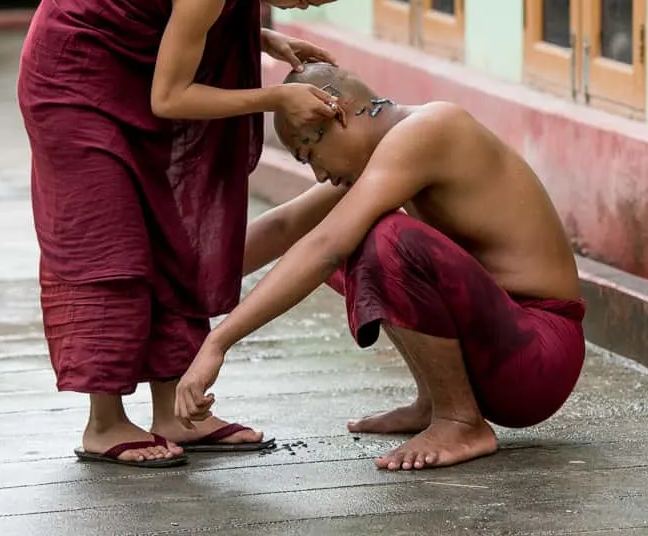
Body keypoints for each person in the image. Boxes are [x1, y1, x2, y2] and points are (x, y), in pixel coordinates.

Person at [17, 0, 359, 468]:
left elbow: (168, 5)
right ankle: (103, 423)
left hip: (130, 66)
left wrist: (261, 38)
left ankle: (175, 413)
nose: (301, 10)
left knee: (172, 234)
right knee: (110, 246)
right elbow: (170, 99)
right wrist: (274, 96)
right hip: (73, 85)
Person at [175, 63, 586, 471]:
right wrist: (175, 285)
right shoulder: (383, 155)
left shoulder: (431, 128)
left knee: (383, 240)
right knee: (357, 239)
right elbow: (285, 225)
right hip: (499, 346)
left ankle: (459, 420)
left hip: (538, 356)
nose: (320, 174)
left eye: (310, 152)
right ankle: (435, 400)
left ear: (338, 113)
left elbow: (324, 247)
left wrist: (218, 342)